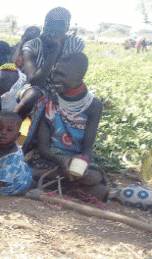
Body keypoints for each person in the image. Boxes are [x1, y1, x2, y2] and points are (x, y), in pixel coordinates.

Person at [24, 53, 108, 201]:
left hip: (76, 162)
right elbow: (43, 149)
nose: (55, 79)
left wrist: (81, 164)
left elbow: (88, 149)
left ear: (79, 76)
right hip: (50, 161)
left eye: (62, 75)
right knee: (97, 190)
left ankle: (57, 184)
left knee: (94, 177)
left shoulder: (94, 106)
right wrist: (62, 161)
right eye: (55, 74)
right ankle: (67, 187)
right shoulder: (48, 102)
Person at [16, 7, 84, 118]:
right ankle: (11, 123)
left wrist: (59, 92)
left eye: (61, 24)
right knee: (34, 94)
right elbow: (35, 82)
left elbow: (73, 76)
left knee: (88, 103)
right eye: (51, 23)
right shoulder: (31, 45)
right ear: (44, 25)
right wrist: (55, 51)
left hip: (62, 89)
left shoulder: (75, 43)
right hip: (31, 90)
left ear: (67, 28)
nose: (55, 28)